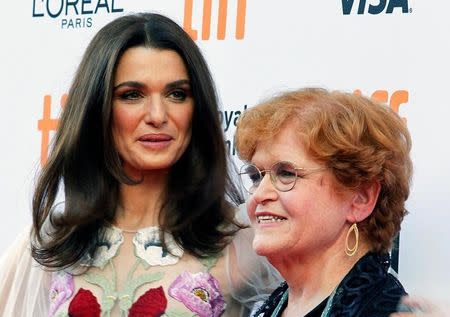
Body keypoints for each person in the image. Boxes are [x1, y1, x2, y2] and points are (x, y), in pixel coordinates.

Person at [0, 13, 279, 317]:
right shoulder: (51, 245)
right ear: (99, 108)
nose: (158, 115)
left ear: (196, 108)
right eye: (132, 95)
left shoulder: (242, 241)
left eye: (177, 94)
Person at [235, 87, 413, 317]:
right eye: (256, 177)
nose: (259, 194)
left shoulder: (383, 311)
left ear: (360, 198)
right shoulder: (277, 304)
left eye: (286, 174)